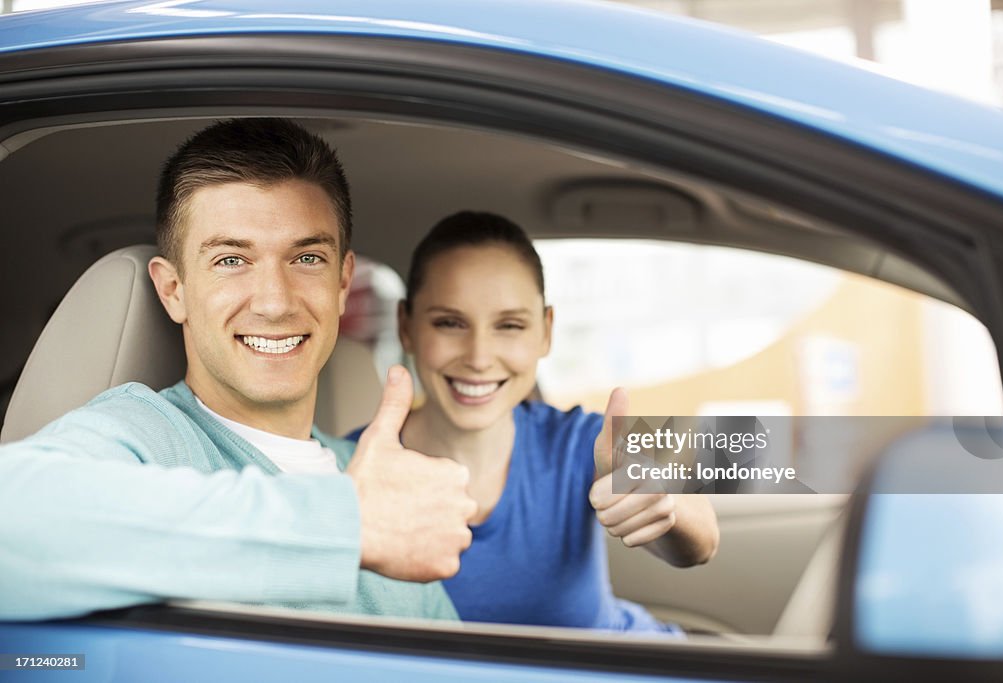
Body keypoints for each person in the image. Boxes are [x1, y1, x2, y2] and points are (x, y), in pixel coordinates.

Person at [0, 119, 476, 621]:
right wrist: (346, 528)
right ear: (173, 290)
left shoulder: (375, 478)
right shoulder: (144, 435)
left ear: (342, 283)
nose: (274, 303)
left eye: (307, 258)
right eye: (231, 260)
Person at [350, 211, 720, 632]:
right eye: (450, 323)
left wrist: (663, 504)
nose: (479, 356)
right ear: (406, 327)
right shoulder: (357, 468)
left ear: (545, 332)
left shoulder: (583, 438)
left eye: (509, 325)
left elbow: (702, 539)